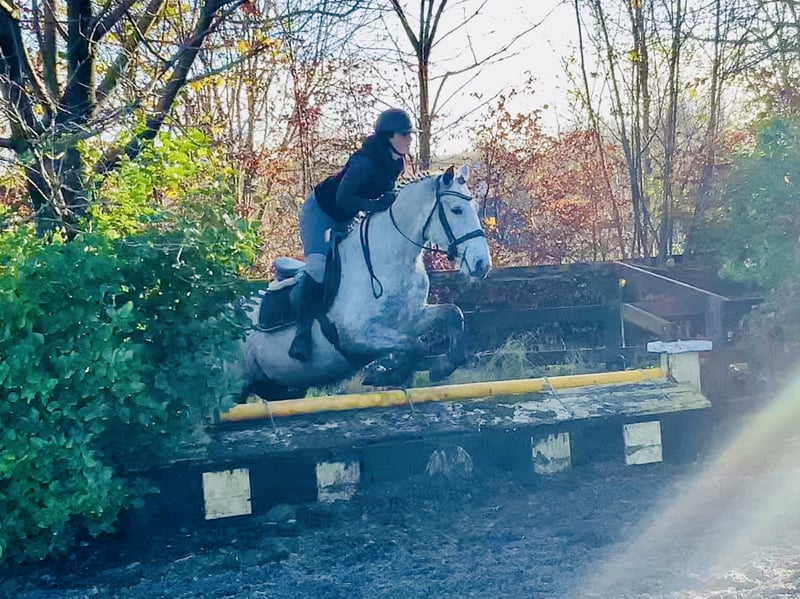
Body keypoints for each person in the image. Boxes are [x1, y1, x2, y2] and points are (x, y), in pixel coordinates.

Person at [288, 108, 418, 361]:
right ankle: (301, 334)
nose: (409, 139)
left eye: (410, 134)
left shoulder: (396, 162)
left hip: (347, 215)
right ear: (388, 137)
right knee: (318, 268)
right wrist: (375, 204)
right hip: (322, 211)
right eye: (404, 134)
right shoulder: (364, 163)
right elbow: (342, 199)